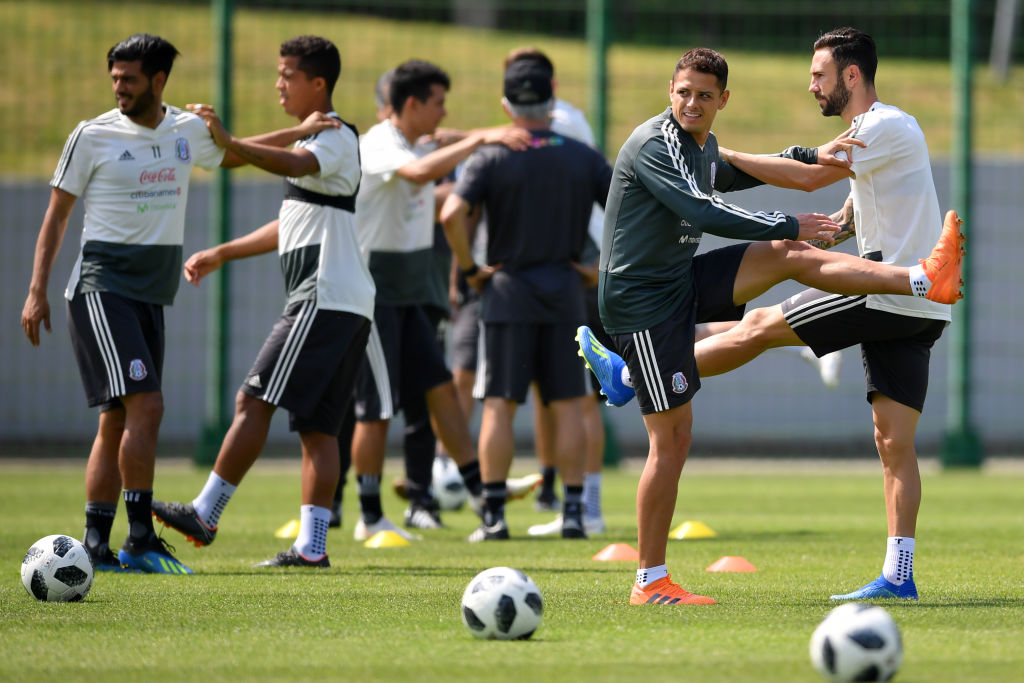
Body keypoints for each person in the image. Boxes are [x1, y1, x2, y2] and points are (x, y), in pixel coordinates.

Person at [581, 47, 963, 606]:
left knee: (786, 256)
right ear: (670, 91)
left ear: (723, 100)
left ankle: (898, 574)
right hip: (643, 300)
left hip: (678, 280)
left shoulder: (708, 144)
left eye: (705, 96)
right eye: (684, 92)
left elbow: (776, 172)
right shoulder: (657, 144)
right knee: (674, 438)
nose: (692, 102)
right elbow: (705, 208)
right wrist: (796, 215)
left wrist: (804, 181)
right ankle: (649, 582)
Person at [19, 34, 331, 574]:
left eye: (130, 79)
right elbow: (57, 215)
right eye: (114, 78)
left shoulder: (185, 128)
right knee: (148, 406)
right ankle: (139, 538)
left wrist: (299, 134)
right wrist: (34, 290)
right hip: (101, 287)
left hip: (150, 294)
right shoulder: (90, 136)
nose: (119, 88)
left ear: (158, 80)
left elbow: (232, 153)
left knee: (116, 420)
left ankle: (96, 546)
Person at [693, 27, 958, 600]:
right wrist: (829, 230)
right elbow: (853, 213)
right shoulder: (886, 133)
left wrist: (716, 155)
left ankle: (639, 374)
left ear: (852, 76)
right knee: (894, 444)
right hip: (920, 309)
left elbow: (811, 173)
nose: (812, 85)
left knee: (759, 326)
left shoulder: (879, 126)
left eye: (820, 75)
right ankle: (899, 576)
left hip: (886, 294)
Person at [150, 35, 372, 568]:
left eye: (287, 74)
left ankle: (206, 512)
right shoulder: (317, 141)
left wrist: (233, 141)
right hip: (343, 300)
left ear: (318, 84)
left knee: (253, 401)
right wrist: (223, 252)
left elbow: (289, 166)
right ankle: (311, 548)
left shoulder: (335, 136)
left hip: (321, 298)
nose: (278, 83)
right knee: (319, 429)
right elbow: (290, 218)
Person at [350, 59, 532, 541]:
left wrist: (477, 136)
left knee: (440, 392)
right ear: (411, 104)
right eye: (437, 103)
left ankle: (479, 496)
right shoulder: (381, 144)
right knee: (376, 406)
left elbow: (437, 142)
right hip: (375, 293)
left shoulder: (411, 138)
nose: (442, 112)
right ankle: (369, 515)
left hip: (409, 295)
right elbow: (415, 173)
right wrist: (481, 140)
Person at [440, 58, 613, 541]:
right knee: (570, 401)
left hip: (506, 293)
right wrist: (599, 268)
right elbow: (628, 207)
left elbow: (453, 212)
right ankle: (574, 513)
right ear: (552, 102)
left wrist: (471, 269)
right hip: (564, 291)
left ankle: (494, 517)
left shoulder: (493, 155)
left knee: (498, 404)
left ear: (506, 105)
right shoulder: (582, 156)